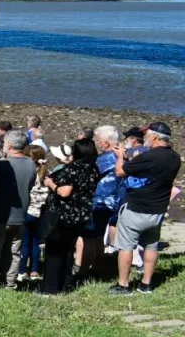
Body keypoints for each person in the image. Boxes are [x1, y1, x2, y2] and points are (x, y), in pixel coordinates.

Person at [111, 122, 181, 295]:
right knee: (151, 246)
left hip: (136, 207)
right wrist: (129, 159)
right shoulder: (174, 157)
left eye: (148, 134)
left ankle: (124, 284)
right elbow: (147, 170)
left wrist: (120, 156)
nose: (146, 138)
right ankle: (146, 284)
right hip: (157, 209)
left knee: (126, 246)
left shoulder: (149, 157)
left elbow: (120, 172)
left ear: (155, 137)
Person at [40, 139, 99, 295]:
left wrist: (50, 184)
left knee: (54, 251)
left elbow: (64, 192)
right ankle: (64, 285)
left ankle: (50, 289)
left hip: (63, 214)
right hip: (81, 214)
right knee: (67, 251)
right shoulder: (93, 169)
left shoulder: (74, 168)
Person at [0, 130, 36, 288]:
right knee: (13, 253)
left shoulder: (3, 165)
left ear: (8, 145)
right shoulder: (31, 164)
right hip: (20, 215)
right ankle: (9, 284)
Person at [76, 126, 121, 281]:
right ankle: (97, 268)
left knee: (89, 237)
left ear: (106, 143)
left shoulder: (106, 159)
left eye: (98, 140)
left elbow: (87, 174)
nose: (96, 143)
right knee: (98, 237)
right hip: (110, 203)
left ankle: (83, 272)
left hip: (98, 203)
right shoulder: (119, 156)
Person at [18, 145, 49, 283]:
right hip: (40, 212)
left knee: (24, 243)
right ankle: (35, 270)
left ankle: (22, 270)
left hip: (28, 210)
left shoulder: (28, 173)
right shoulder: (46, 173)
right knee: (35, 242)